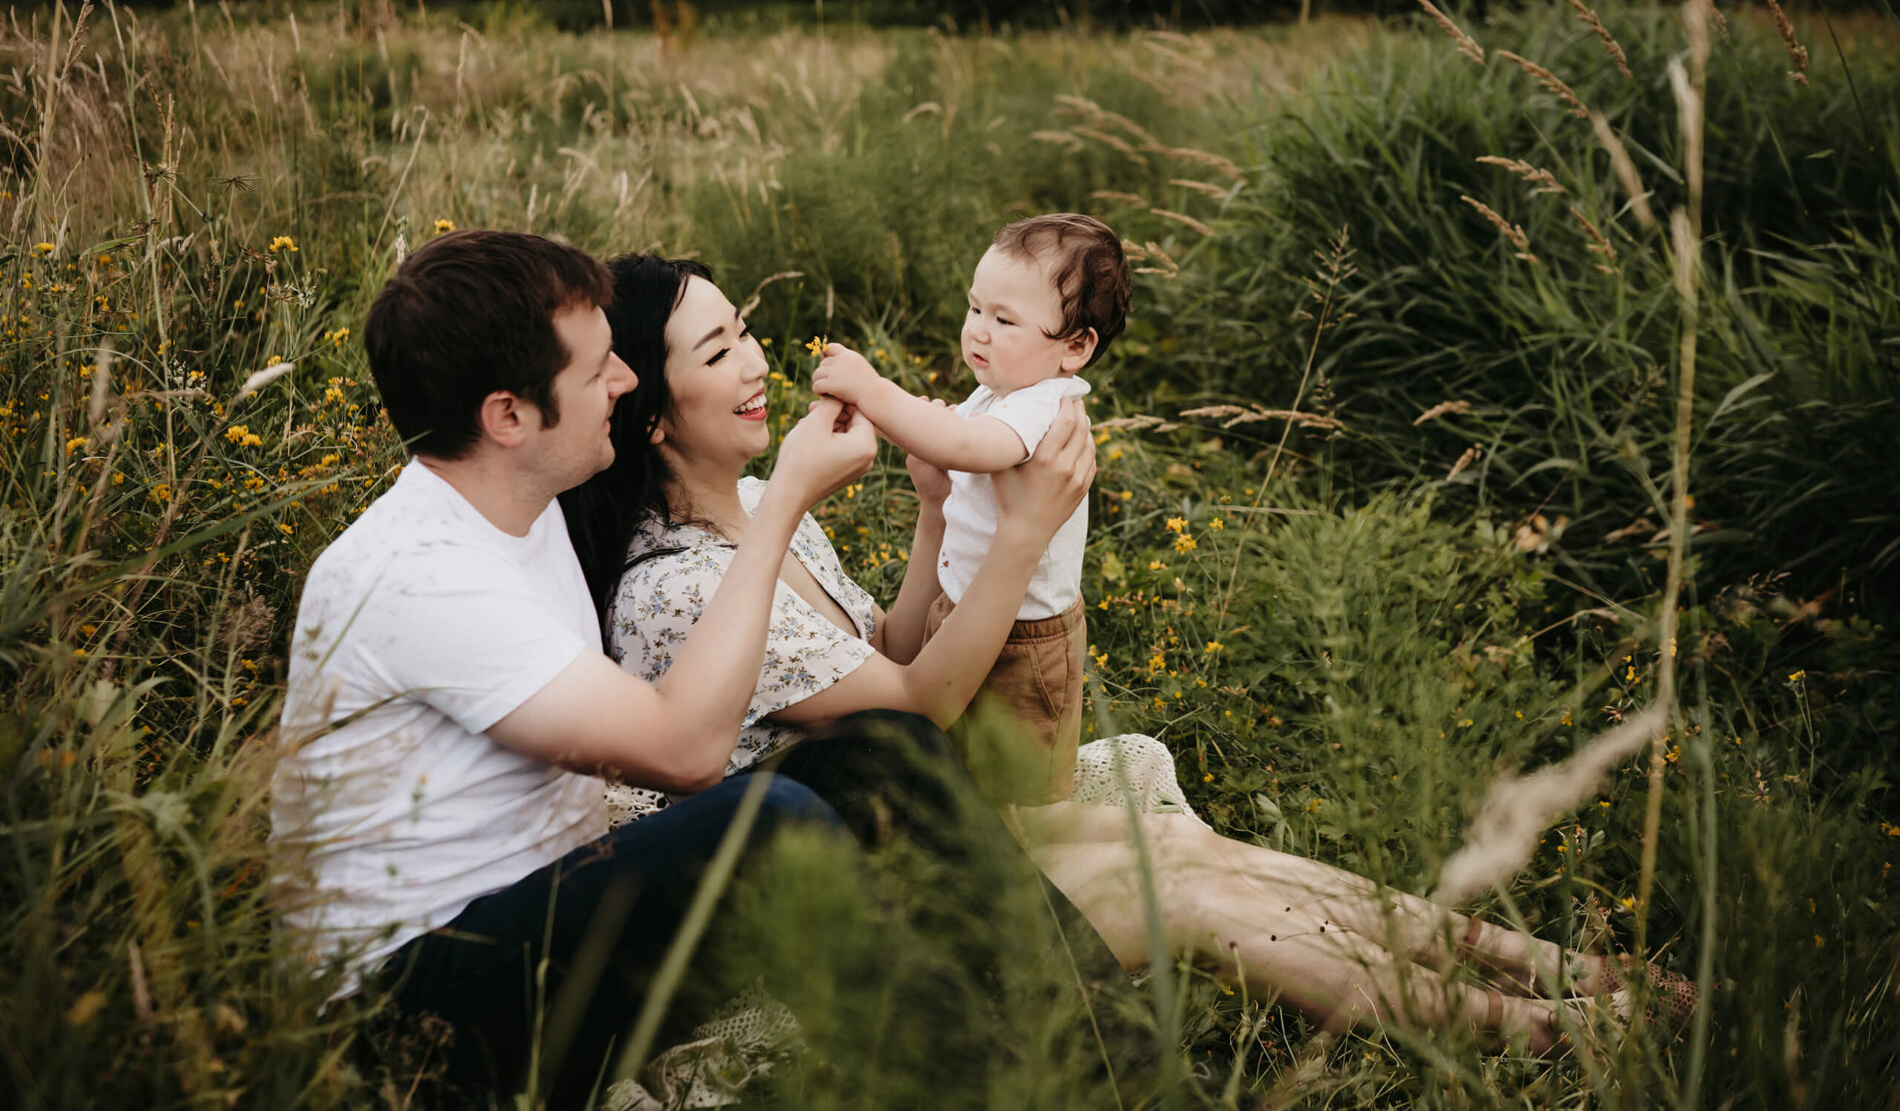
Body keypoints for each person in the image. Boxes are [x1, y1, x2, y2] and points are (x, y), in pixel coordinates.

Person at [570, 251, 1698, 1059]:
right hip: (853, 897)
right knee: (1183, 903)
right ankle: (1545, 1036)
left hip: (920, 823)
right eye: (718, 349)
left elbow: (893, 648)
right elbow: (916, 704)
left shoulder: (770, 502)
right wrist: (1016, 536)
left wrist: (928, 507)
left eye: (747, 329)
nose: (760, 360)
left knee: (1172, 842)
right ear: (650, 412)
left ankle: (1558, 967)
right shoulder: (676, 589)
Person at [269, 229, 922, 1106]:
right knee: (769, 827)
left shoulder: (522, 500)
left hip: (543, 920)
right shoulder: (417, 574)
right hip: (404, 1023)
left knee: (883, 745)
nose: (624, 384)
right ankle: (959, 1081)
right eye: (598, 372)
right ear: (508, 417)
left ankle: (1079, 1028)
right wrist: (786, 501)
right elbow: (685, 748)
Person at [811, 213, 1128, 804]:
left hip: (1024, 641)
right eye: (975, 309)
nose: (978, 331)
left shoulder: (1043, 404)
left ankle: (1032, 851)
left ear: (1076, 346)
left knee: (1018, 780)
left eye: (1004, 320)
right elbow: (950, 438)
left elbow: (965, 446)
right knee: (960, 759)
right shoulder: (1001, 391)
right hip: (965, 607)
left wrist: (874, 391)